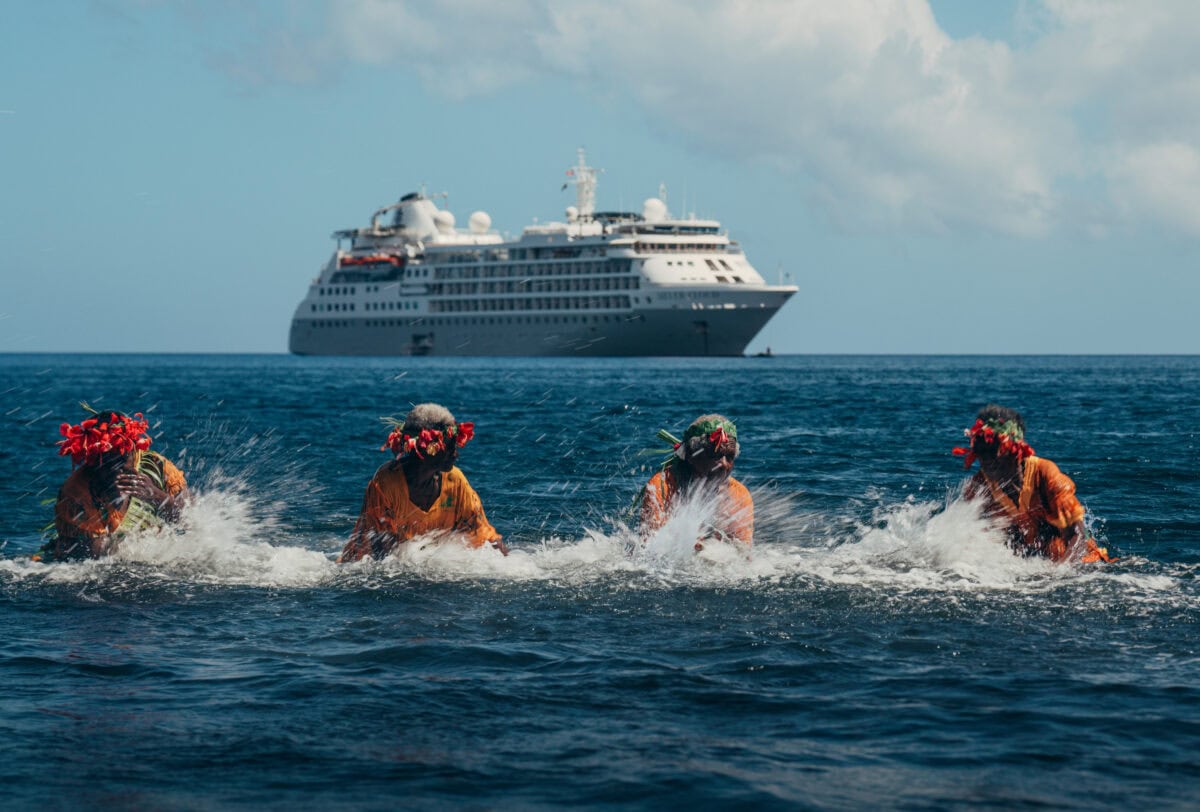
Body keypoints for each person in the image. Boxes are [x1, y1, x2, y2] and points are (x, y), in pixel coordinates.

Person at [339, 403, 507, 562]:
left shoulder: (456, 481)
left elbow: (484, 535)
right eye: (449, 447)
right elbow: (381, 557)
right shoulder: (386, 484)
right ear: (427, 448)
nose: (455, 455)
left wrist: (516, 566)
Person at [954, 404, 1113, 563]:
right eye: (981, 453)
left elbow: (1078, 536)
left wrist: (1057, 576)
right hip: (1029, 574)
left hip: (1080, 568)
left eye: (993, 452)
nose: (987, 461)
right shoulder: (979, 487)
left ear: (1014, 450)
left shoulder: (1045, 474)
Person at [35, 408, 189, 561]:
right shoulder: (76, 493)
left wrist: (156, 496)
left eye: (121, 459)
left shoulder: (157, 466)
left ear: (132, 450)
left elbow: (188, 521)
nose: (115, 468)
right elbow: (98, 558)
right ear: (92, 458)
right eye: (106, 460)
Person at [640, 414, 754, 550]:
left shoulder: (738, 494)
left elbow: (743, 553)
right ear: (690, 455)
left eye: (729, 457)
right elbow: (649, 549)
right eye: (715, 455)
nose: (723, 464)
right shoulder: (662, 487)